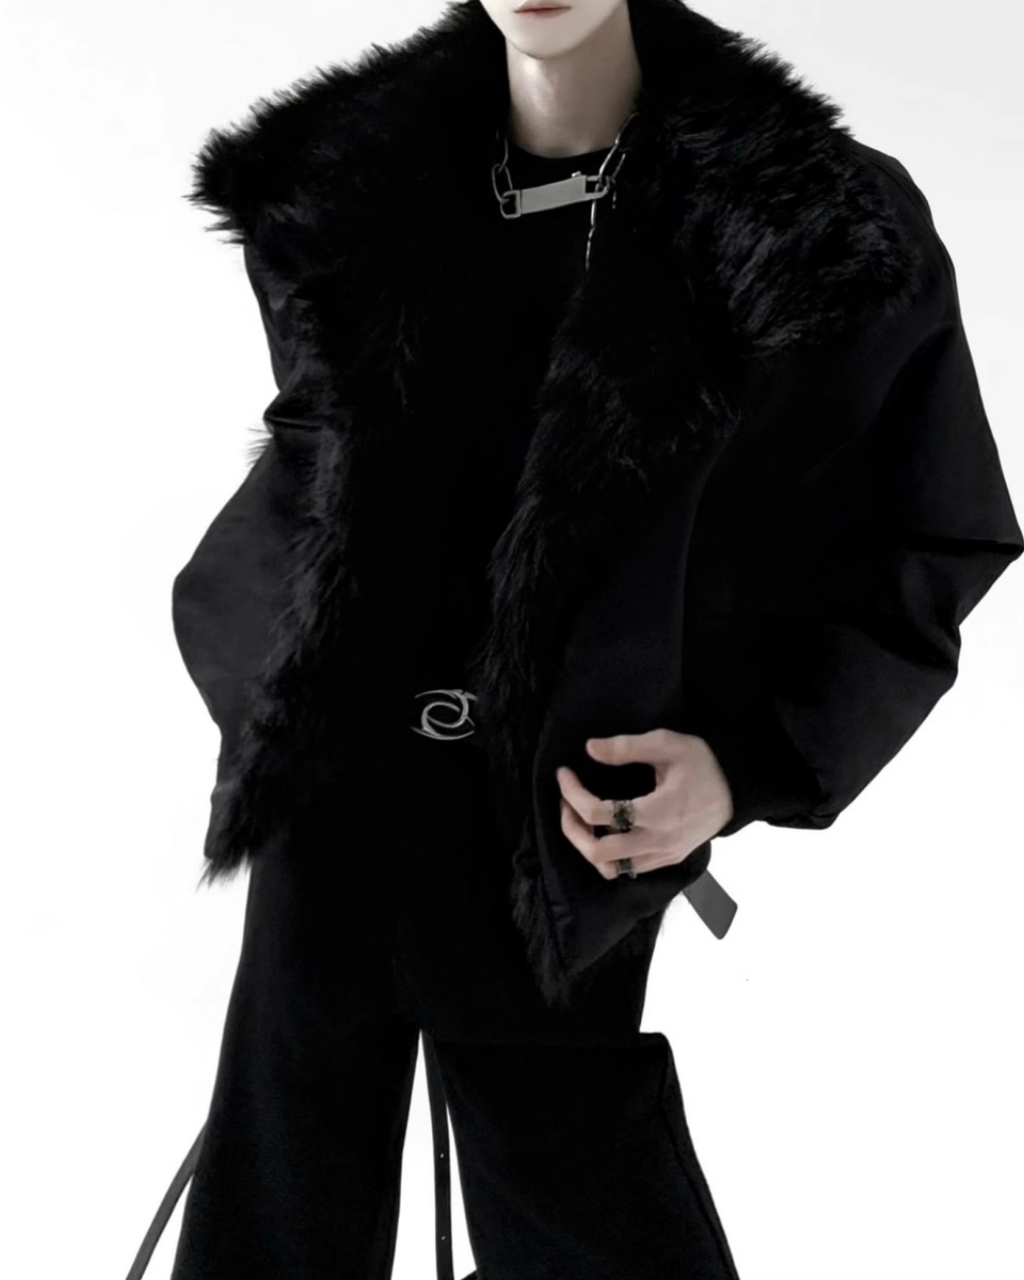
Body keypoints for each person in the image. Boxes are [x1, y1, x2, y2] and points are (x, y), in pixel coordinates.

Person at [129, 1, 1023, 1277]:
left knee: (574, 1187)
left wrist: (743, 761)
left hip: (574, 817)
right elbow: (317, 467)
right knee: (279, 1200)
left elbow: (929, 530)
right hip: (335, 807)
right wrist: (277, 684)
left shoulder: (810, 216)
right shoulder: (358, 189)